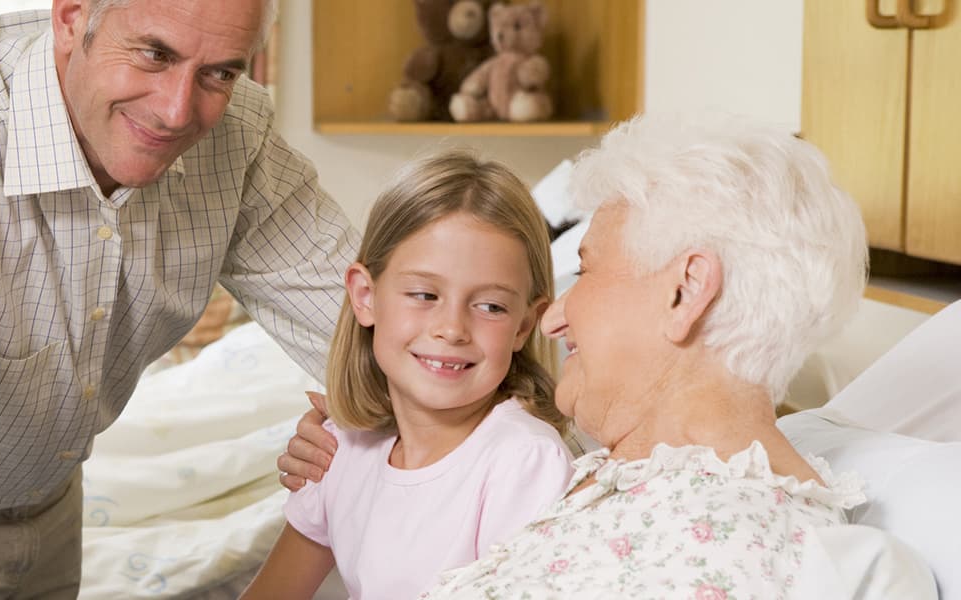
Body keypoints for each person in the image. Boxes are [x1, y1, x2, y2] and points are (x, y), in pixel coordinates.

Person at [0, 0, 358, 594]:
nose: (177, 111)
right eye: (155, 55)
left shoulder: (238, 133)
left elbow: (373, 330)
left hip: (54, 504)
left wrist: (392, 420)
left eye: (221, 73)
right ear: (72, 16)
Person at [289, 113, 872, 597]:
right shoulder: (626, 492)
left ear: (685, 291)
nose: (553, 316)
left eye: (587, 268)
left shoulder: (716, 545)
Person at [241, 151, 574, 599]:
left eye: (490, 306)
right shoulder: (341, 450)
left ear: (524, 325)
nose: (452, 329)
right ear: (365, 296)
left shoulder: (525, 462)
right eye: (423, 294)